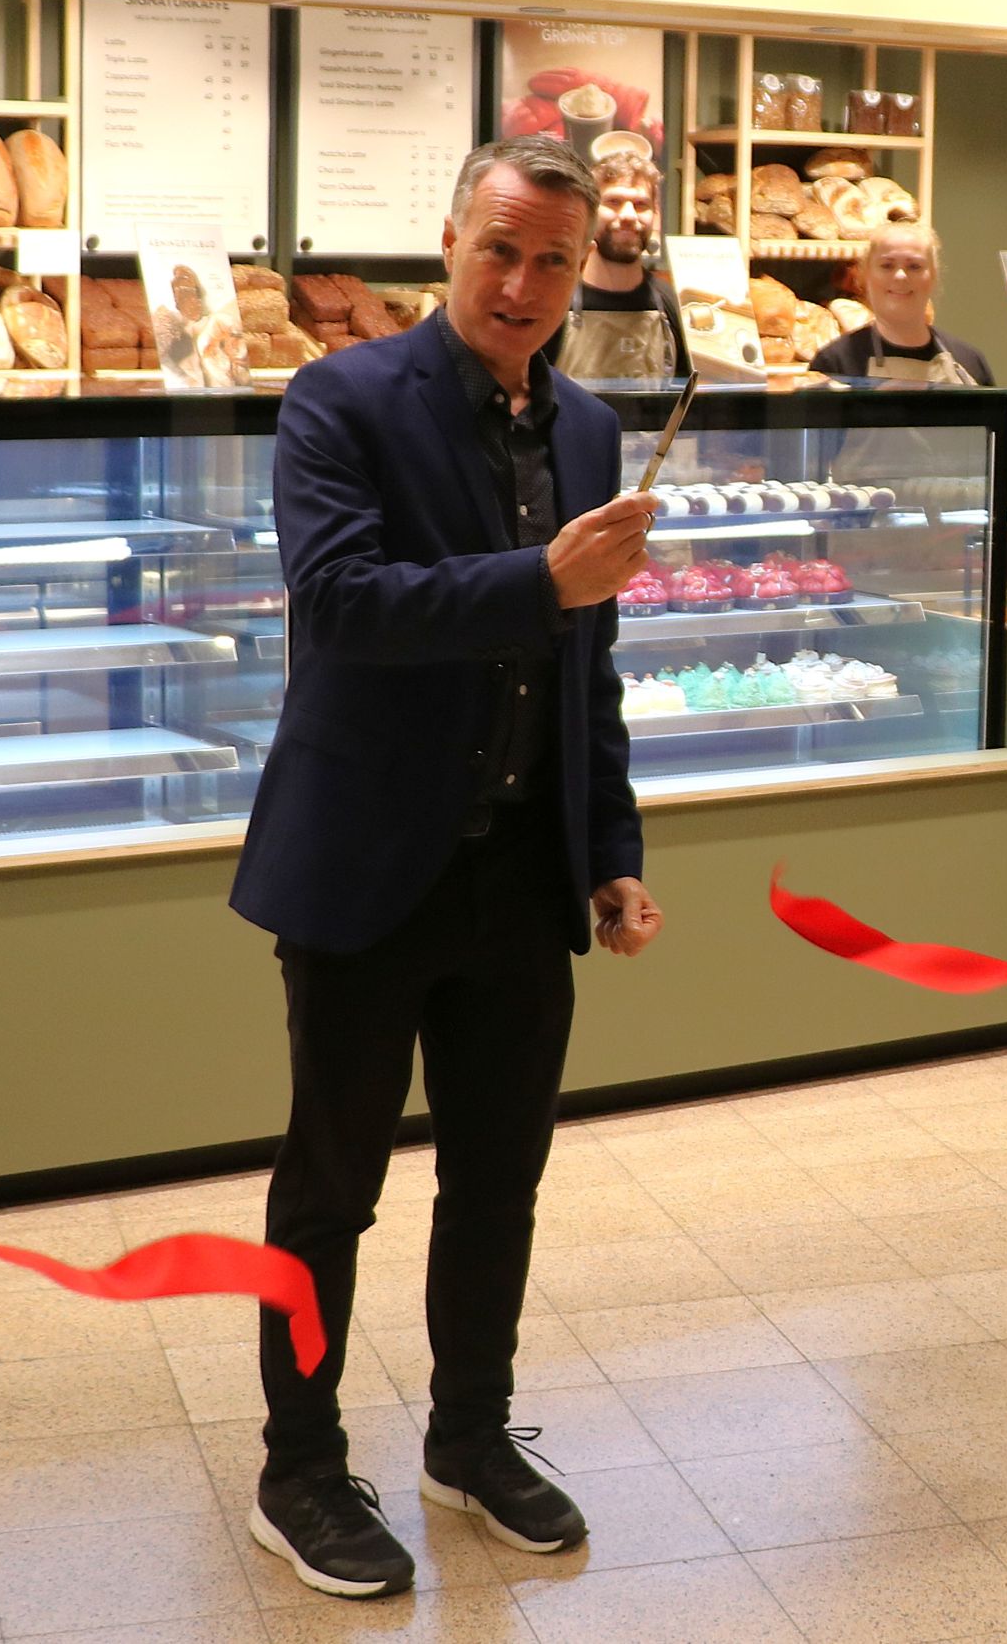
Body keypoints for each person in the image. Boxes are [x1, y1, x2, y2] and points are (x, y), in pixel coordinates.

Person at [229, 135, 667, 1601]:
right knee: (329, 1186)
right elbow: (342, 603)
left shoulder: (591, 428)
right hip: (365, 867)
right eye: (500, 249)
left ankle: (468, 1436)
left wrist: (608, 851)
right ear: (449, 241)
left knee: (500, 1180)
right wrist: (542, 581)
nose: (525, 283)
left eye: (553, 258)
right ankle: (298, 1469)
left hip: (515, 878)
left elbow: (585, 670)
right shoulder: (338, 397)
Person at [549, 151, 690, 381]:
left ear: (655, 214)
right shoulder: (555, 299)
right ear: (587, 212)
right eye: (613, 202)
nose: (628, 215)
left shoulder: (668, 303)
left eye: (640, 204)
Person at [808, 221, 997, 384]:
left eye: (914, 266)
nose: (900, 276)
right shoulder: (833, 364)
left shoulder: (971, 362)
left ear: (932, 277)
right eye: (887, 265)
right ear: (865, 277)